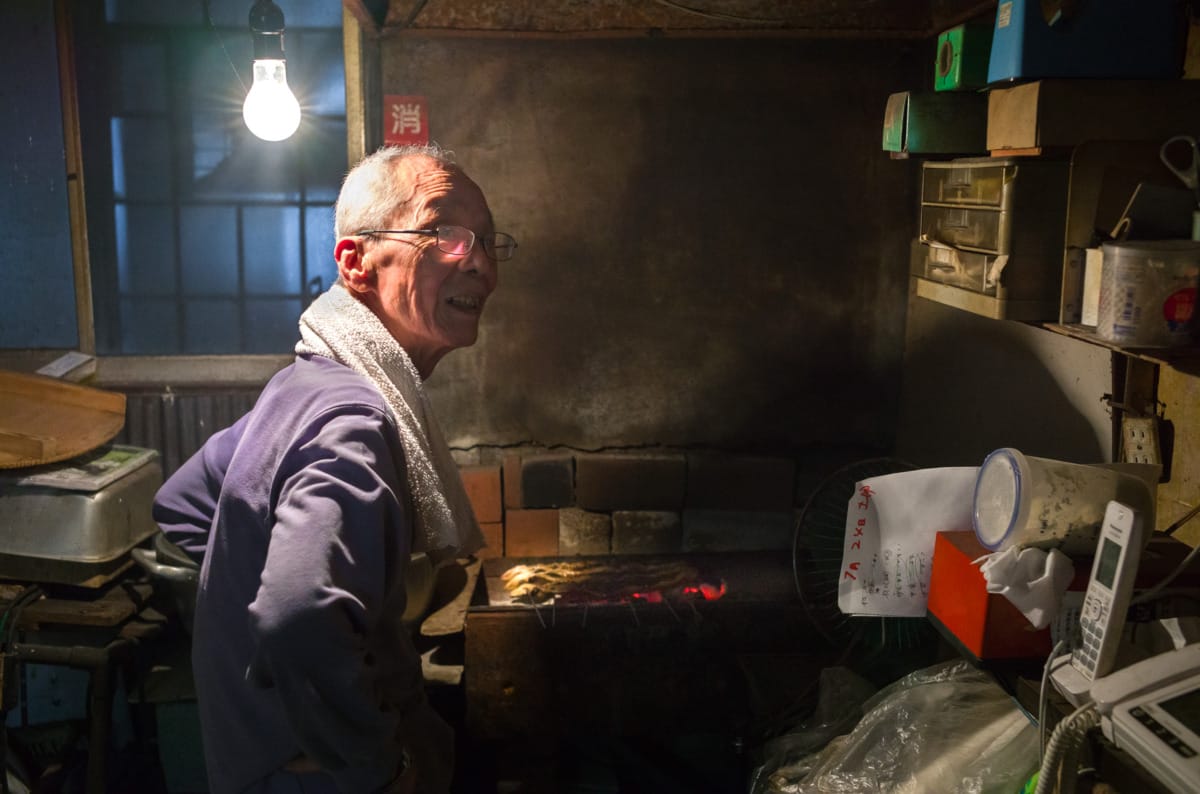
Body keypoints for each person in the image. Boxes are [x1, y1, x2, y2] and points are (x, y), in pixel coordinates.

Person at [152, 144, 516, 793]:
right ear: (355, 262)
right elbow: (297, 612)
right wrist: (377, 763)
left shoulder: (302, 384)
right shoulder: (351, 420)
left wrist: (241, 672)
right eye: (446, 234)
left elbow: (184, 505)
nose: (482, 265)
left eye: (489, 242)